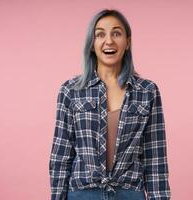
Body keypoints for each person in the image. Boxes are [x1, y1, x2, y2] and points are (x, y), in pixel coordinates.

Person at [49, 9, 171, 200]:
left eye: (116, 33)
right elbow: (61, 155)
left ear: (127, 42)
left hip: (129, 193)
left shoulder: (147, 91)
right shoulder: (71, 91)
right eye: (100, 34)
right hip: (83, 193)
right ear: (92, 44)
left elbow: (155, 158)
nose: (109, 41)